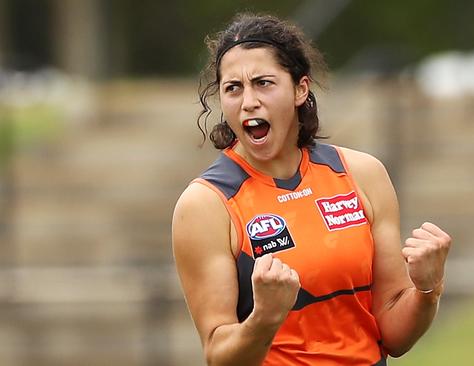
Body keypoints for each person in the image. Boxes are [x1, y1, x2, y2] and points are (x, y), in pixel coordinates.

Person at [172, 13, 451, 366]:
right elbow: (219, 356)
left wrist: (428, 289)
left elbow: (394, 335)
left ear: (300, 90)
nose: (248, 102)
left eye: (263, 83)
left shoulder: (362, 174)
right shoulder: (205, 204)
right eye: (233, 88)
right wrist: (265, 318)